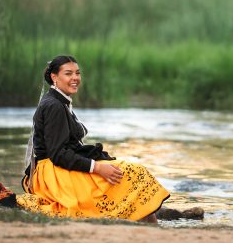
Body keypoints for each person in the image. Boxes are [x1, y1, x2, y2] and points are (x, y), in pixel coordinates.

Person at [16, 55, 170, 222]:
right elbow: (58, 154)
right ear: (54, 77)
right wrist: (97, 167)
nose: (75, 78)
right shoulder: (54, 106)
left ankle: (148, 219)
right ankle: (150, 223)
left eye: (77, 73)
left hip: (56, 167)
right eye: (68, 74)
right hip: (53, 173)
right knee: (132, 173)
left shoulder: (59, 101)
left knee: (127, 173)